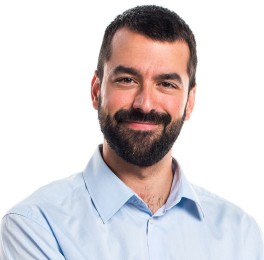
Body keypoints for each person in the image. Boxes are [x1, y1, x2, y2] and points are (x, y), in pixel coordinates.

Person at [0, 5, 263, 260]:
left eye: (166, 84)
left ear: (190, 101)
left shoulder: (240, 235)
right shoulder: (36, 227)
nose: (145, 104)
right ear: (96, 91)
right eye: (127, 80)